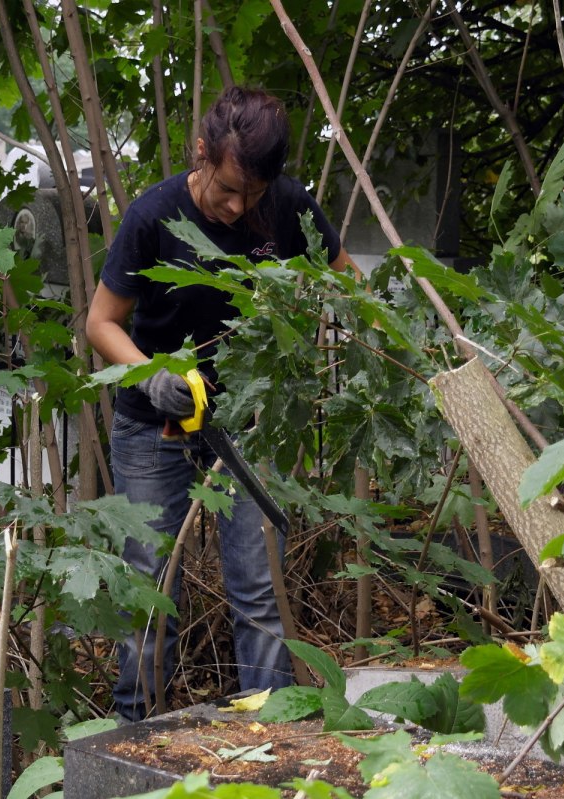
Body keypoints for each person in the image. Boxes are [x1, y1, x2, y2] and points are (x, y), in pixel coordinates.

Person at [86, 85, 358, 722]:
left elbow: (346, 285)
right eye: (228, 190)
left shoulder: (289, 207)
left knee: (259, 591)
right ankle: (135, 732)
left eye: (254, 196)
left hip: (251, 426)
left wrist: (303, 326)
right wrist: (151, 375)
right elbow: (100, 323)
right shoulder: (153, 215)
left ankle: (263, 734)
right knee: (150, 588)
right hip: (153, 426)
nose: (239, 209)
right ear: (201, 153)